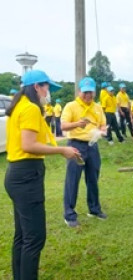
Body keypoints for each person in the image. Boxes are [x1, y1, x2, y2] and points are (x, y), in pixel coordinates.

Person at [4, 70, 79, 280]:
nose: (48, 92)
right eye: (47, 87)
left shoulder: (18, 107)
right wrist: (62, 150)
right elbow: (28, 145)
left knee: (23, 236)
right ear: (37, 86)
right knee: (35, 237)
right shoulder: (29, 109)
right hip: (27, 175)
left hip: (16, 174)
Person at [61, 77, 108, 228]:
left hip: (92, 145)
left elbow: (102, 125)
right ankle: (69, 214)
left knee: (93, 178)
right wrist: (77, 124)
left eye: (91, 92)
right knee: (72, 180)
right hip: (76, 145)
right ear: (79, 91)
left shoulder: (97, 107)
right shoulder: (71, 106)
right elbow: (63, 126)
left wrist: (102, 132)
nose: (88, 95)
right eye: (85, 92)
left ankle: (94, 209)